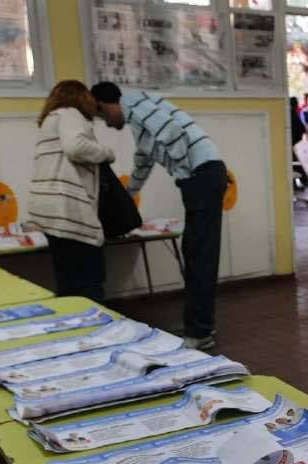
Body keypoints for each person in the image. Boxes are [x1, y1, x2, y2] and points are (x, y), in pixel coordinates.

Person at [90, 82, 227, 350]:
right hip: (202, 176)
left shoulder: (136, 107)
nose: (106, 123)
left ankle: (199, 333)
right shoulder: (141, 112)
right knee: (195, 252)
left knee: (200, 256)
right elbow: (144, 160)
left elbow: (172, 132)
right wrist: (127, 196)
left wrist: (185, 168)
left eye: (102, 116)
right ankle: (201, 326)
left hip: (201, 176)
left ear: (105, 104)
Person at [29, 80, 115, 300]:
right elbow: (75, 147)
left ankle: (72, 327)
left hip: (47, 208)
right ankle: (97, 328)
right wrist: (107, 153)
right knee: (91, 277)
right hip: (67, 207)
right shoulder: (70, 113)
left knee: (67, 278)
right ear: (81, 97)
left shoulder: (50, 119)